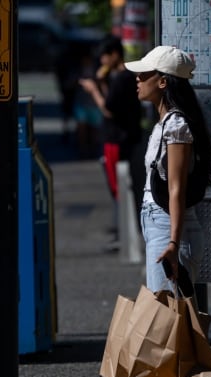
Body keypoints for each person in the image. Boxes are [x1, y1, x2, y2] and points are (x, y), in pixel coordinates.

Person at [124, 45, 211, 377]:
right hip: (161, 228)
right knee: (169, 330)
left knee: (170, 332)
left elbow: (176, 191)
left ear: (164, 82)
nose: (137, 80)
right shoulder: (166, 122)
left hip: (169, 230)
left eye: (144, 75)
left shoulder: (177, 125)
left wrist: (173, 244)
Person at [79, 36, 143, 244]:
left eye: (105, 57)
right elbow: (113, 101)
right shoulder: (123, 78)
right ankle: (125, 230)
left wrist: (94, 90)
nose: (103, 61)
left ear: (115, 54)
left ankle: (127, 233)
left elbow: (108, 109)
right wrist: (103, 83)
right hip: (125, 137)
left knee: (119, 188)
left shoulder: (123, 78)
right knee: (123, 186)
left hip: (116, 139)